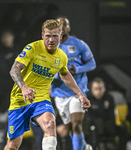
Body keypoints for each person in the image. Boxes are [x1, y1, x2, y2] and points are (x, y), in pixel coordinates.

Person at [4, 19, 91, 150]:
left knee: (50, 125)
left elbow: (65, 74)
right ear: (42, 35)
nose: (51, 40)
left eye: (55, 36)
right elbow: (14, 69)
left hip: (41, 99)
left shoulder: (61, 56)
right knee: (12, 146)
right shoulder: (32, 48)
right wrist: (24, 87)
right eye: (48, 36)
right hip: (20, 100)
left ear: (60, 36)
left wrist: (80, 94)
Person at [51, 17, 96, 150]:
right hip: (59, 93)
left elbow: (92, 64)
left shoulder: (79, 44)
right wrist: (57, 74)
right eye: (59, 25)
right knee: (70, 128)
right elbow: (45, 69)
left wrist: (77, 69)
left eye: (65, 25)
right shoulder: (48, 46)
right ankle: (83, 147)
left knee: (77, 124)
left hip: (78, 91)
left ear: (69, 28)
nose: (62, 27)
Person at [84, 77, 116, 149]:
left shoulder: (109, 98)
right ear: (91, 89)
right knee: (93, 127)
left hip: (105, 126)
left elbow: (111, 116)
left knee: (122, 129)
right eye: (96, 89)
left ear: (104, 88)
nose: (98, 91)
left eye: (100, 88)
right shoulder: (86, 99)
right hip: (90, 128)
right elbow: (86, 117)